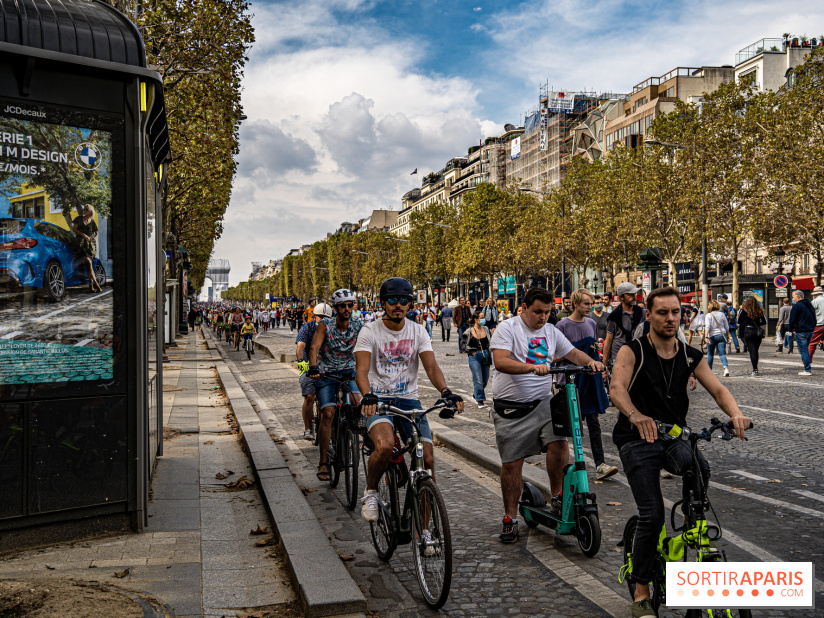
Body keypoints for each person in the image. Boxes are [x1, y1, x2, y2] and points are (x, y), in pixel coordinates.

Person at [609, 286, 750, 618]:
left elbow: (717, 388)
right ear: (650, 314)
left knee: (698, 465)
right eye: (662, 312)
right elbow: (616, 388)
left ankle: (691, 523)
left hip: (673, 436)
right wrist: (636, 415)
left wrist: (735, 414)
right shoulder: (633, 351)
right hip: (635, 437)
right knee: (653, 516)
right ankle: (641, 591)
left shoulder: (690, 355)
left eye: (676, 312)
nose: (670, 318)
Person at [489, 287, 604, 543]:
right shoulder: (508, 328)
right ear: (524, 309)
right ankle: (510, 518)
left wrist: (590, 363)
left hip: (543, 403)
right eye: (538, 312)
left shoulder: (551, 331)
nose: (543, 317)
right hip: (511, 408)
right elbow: (500, 361)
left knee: (560, 440)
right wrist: (532, 367)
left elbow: (572, 352)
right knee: (512, 465)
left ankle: (558, 497)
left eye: (548, 312)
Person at [355, 278, 464, 524]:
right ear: (383, 303)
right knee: (383, 446)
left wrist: (445, 391)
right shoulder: (369, 331)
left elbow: (431, 366)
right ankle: (371, 491)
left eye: (404, 301)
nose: (398, 305)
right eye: (392, 300)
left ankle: (424, 532)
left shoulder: (418, 330)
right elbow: (360, 370)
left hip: (409, 401)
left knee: (427, 460)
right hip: (378, 399)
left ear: (410, 304)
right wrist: (367, 395)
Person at [556, 289, 617, 481]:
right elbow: (555, 356)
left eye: (591, 303)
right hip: (570, 381)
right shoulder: (561, 325)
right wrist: (579, 348)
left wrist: (593, 347)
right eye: (585, 303)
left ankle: (600, 464)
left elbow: (591, 352)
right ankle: (565, 466)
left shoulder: (591, 323)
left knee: (593, 422)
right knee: (570, 425)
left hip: (589, 379)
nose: (590, 306)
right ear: (575, 304)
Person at [308, 289, 363, 481]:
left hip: (349, 372)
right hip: (326, 373)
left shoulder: (359, 325)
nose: (347, 309)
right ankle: (323, 461)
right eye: (343, 306)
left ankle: (357, 431)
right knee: (328, 413)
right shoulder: (325, 325)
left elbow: (369, 345)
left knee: (359, 401)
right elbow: (314, 347)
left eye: (350, 305)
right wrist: (313, 366)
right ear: (336, 308)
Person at [296, 303, 333, 440]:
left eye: (326, 317)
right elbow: (301, 346)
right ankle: (307, 428)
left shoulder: (333, 329)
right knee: (309, 396)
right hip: (308, 365)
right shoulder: (307, 328)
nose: (322, 320)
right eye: (320, 317)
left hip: (328, 366)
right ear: (314, 317)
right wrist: (301, 362)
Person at [603, 282, 645, 366]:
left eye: (634, 294)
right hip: (619, 357)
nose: (634, 297)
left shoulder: (641, 312)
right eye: (630, 295)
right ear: (621, 297)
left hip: (638, 355)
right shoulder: (613, 316)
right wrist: (604, 365)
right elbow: (608, 341)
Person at [461, 310, 492, 408]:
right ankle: (480, 400)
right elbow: (462, 344)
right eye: (481, 317)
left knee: (485, 379)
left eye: (484, 317)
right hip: (474, 357)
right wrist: (471, 351)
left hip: (485, 355)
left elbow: (491, 341)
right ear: (476, 319)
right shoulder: (469, 331)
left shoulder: (486, 329)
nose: (483, 319)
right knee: (478, 379)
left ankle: (476, 393)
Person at [72, 204, 102, 293]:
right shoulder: (79, 218)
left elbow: (97, 233)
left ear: (90, 211)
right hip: (80, 244)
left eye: (86, 209)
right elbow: (75, 229)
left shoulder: (92, 222)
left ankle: (91, 286)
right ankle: (95, 283)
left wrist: (93, 238)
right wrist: (84, 235)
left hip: (88, 245)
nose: (84, 211)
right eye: (84, 209)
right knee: (89, 263)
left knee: (89, 265)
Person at [789, 290, 817, 376]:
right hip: (810, 331)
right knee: (806, 350)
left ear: (798, 297)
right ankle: (807, 367)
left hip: (801, 331)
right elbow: (814, 318)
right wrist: (812, 327)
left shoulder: (796, 306)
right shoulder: (809, 305)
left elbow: (792, 320)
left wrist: (790, 330)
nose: (793, 299)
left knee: (804, 351)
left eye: (793, 297)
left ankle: (807, 369)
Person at [737, 295, 766, 376]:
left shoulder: (744, 311)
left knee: (752, 350)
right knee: (756, 350)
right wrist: (758, 323)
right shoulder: (759, 310)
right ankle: (756, 368)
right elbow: (764, 321)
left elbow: (739, 321)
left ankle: (755, 368)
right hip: (757, 332)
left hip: (748, 331)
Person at [704, 300, 730, 377]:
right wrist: (727, 336)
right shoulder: (722, 314)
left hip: (711, 336)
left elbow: (707, 326)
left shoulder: (708, 315)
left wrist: (705, 336)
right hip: (722, 335)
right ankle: (726, 369)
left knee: (710, 354)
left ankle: (709, 371)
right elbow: (727, 327)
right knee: (722, 354)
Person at [810, 286, 824, 362]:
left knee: (812, 343)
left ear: (815, 294)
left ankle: (808, 360)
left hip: (819, 324)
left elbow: (811, 313)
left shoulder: (815, 301)